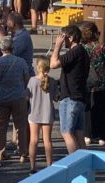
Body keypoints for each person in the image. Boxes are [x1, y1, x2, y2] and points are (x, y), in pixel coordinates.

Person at [50, 24, 90, 153]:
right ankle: (85, 166)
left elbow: (53, 64)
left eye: (63, 37)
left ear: (71, 38)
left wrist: (57, 46)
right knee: (79, 135)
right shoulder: (82, 51)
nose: (61, 39)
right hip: (80, 98)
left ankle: (74, 164)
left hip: (70, 98)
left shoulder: (75, 51)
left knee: (67, 133)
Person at [0, 36, 30, 163]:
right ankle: (23, 153)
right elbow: (26, 78)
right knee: (21, 125)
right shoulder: (21, 62)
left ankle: (0, 152)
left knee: (1, 126)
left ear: (1, 48)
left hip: (2, 97)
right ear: (12, 47)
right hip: (18, 96)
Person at [27, 56, 58, 174]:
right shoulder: (53, 81)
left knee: (33, 140)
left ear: (38, 67)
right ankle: (49, 166)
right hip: (48, 113)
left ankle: (32, 167)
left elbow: (26, 96)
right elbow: (56, 98)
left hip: (34, 113)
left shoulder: (32, 81)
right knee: (48, 141)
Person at [81, 22, 105, 146]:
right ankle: (102, 136)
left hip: (87, 82)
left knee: (88, 109)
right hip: (101, 82)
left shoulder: (83, 48)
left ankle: (87, 135)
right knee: (101, 109)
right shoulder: (101, 47)